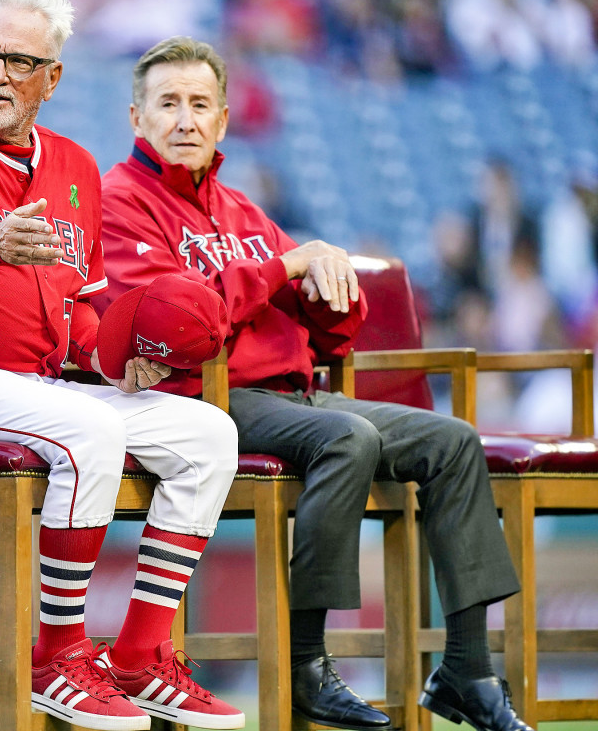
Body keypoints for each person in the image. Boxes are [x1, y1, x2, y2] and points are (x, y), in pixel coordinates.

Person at [96, 35, 532, 731]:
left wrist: (333, 283)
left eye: (200, 104)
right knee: (348, 438)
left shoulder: (240, 210)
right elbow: (170, 324)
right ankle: (305, 664)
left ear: (224, 120)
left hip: (294, 393)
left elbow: (331, 333)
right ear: (136, 117)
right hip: (205, 401)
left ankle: (468, 669)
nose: (185, 120)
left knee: (453, 441)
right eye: (168, 103)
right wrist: (282, 267)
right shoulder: (118, 202)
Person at [0, 0, 244, 731]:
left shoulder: (73, 166)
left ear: (54, 77)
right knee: (87, 430)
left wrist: (116, 361)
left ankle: (138, 653)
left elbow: (87, 313)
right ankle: (59, 655)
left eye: (17, 60)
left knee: (207, 435)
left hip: (32, 381)